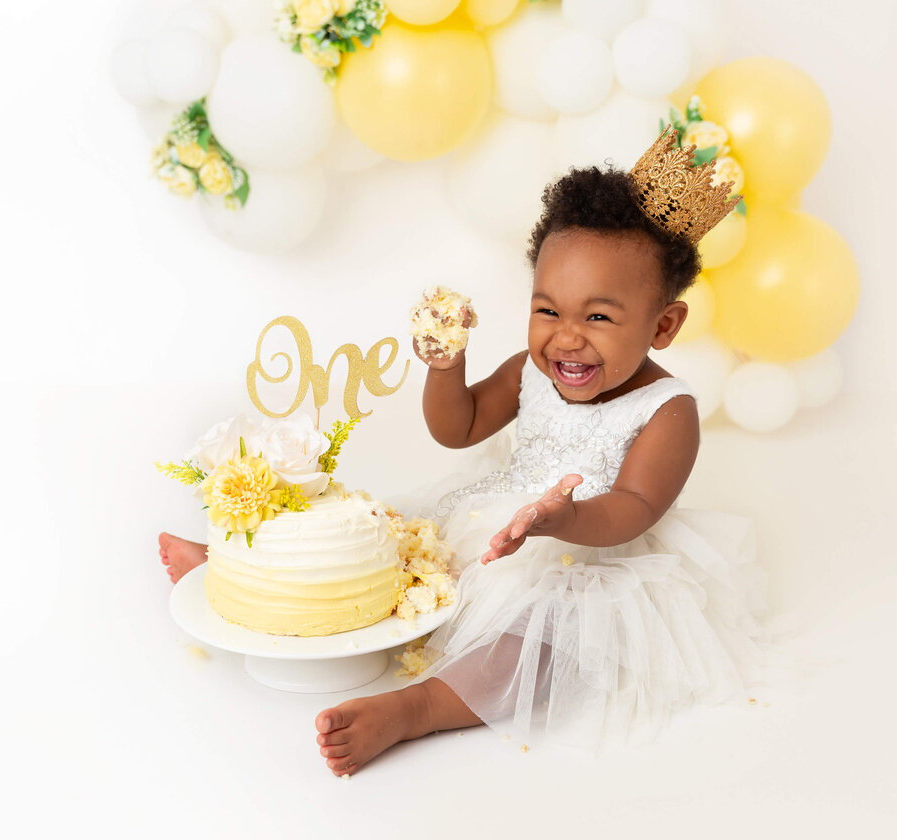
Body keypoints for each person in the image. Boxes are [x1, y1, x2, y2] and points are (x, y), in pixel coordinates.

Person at [312, 130, 773, 776]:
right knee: (384, 539)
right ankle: (254, 574)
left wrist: (565, 520)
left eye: (600, 319)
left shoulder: (668, 412)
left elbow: (635, 507)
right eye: (548, 309)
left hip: (590, 560)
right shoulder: (532, 372)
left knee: (542, 641)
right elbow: (460, 427)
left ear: (663, 326)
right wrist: (447, 368)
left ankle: (418, 708)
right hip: (495, 522)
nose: (568, 339)